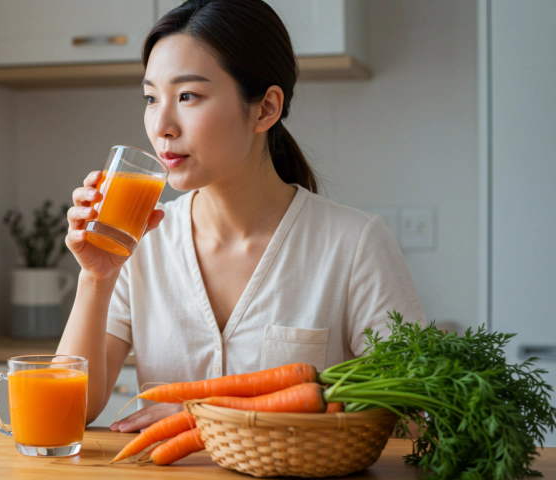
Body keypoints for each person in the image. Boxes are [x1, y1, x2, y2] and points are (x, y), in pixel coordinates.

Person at [56, 0, 425, 432]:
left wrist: (212, 414)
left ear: (265, 109)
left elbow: (412, 416)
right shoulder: (140, 242)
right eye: (151, 98)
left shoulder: (355, 243)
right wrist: (96, 278)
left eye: (188, 96)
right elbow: (69, 414)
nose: (162, 125)